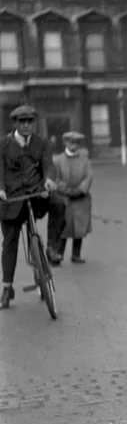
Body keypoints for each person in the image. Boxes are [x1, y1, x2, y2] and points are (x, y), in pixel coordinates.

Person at [0, 105, 65, 308]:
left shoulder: (42, 143)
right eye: (22, 122)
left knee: (59, 204)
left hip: (36, 194)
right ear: (16, 124)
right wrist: (0, 189)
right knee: (10, 243)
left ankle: (52, 247)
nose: (27, 126)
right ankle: (7, 288)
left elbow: (48, 165)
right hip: (11, 199)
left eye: (30, 122)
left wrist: (49, 180)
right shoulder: (3, 144)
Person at [53, 131, 93, 264]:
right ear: (65, 143)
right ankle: (58, 254)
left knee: (79, 227)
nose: (73, 145)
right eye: (70, 142)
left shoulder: (84, 160)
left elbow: (88, 176)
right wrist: (66, 190)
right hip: (64, 199)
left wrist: (81, 189)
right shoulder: (58, 160)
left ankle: (76, 255)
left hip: (81, 198)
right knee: (63, 227)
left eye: (76, 143)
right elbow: (55, 178)